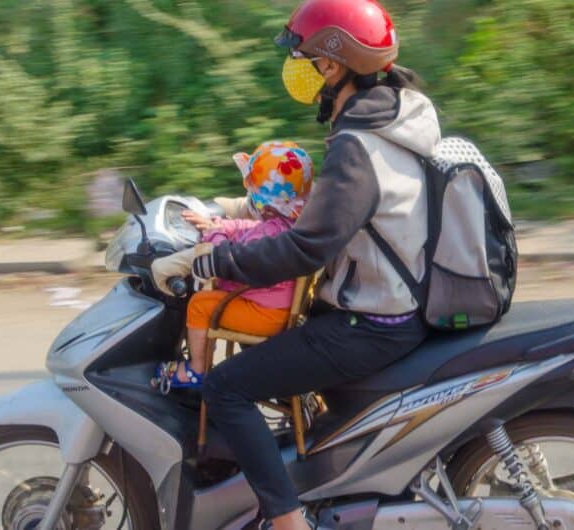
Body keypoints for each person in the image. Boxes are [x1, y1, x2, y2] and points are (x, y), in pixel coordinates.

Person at [153, 1, 442, 528]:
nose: (296, 70)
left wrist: (215, 260)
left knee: (225, 386)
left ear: (331, 66)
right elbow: (318, 211)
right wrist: (232, 209)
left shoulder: (358, 146)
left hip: (372, 324)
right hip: (387, 305)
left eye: (302, 58)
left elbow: (304, 248)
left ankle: (286, 520)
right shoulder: (391, 122)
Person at [151, 141, 314, 389]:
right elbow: (248, 228)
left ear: (268, 202)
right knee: (207, 300)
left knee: (199, 305)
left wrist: (214, 234)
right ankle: (203, 359)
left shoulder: (269, 235)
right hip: (276, 306)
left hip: (264, 313)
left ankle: (197, 370)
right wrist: (220, 224)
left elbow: (228, 254)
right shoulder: (286, 226)